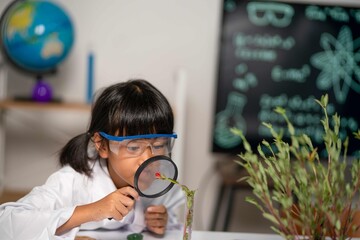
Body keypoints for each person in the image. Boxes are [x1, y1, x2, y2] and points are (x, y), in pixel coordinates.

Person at [0, 79, 185, 239]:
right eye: (134, 147)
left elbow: (170, 225)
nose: (148, 159)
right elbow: (6, 224)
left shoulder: (159, 180)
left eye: (159, 144)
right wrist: (93, 210)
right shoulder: (72, 182)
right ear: (102, 145)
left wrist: (161, 221)